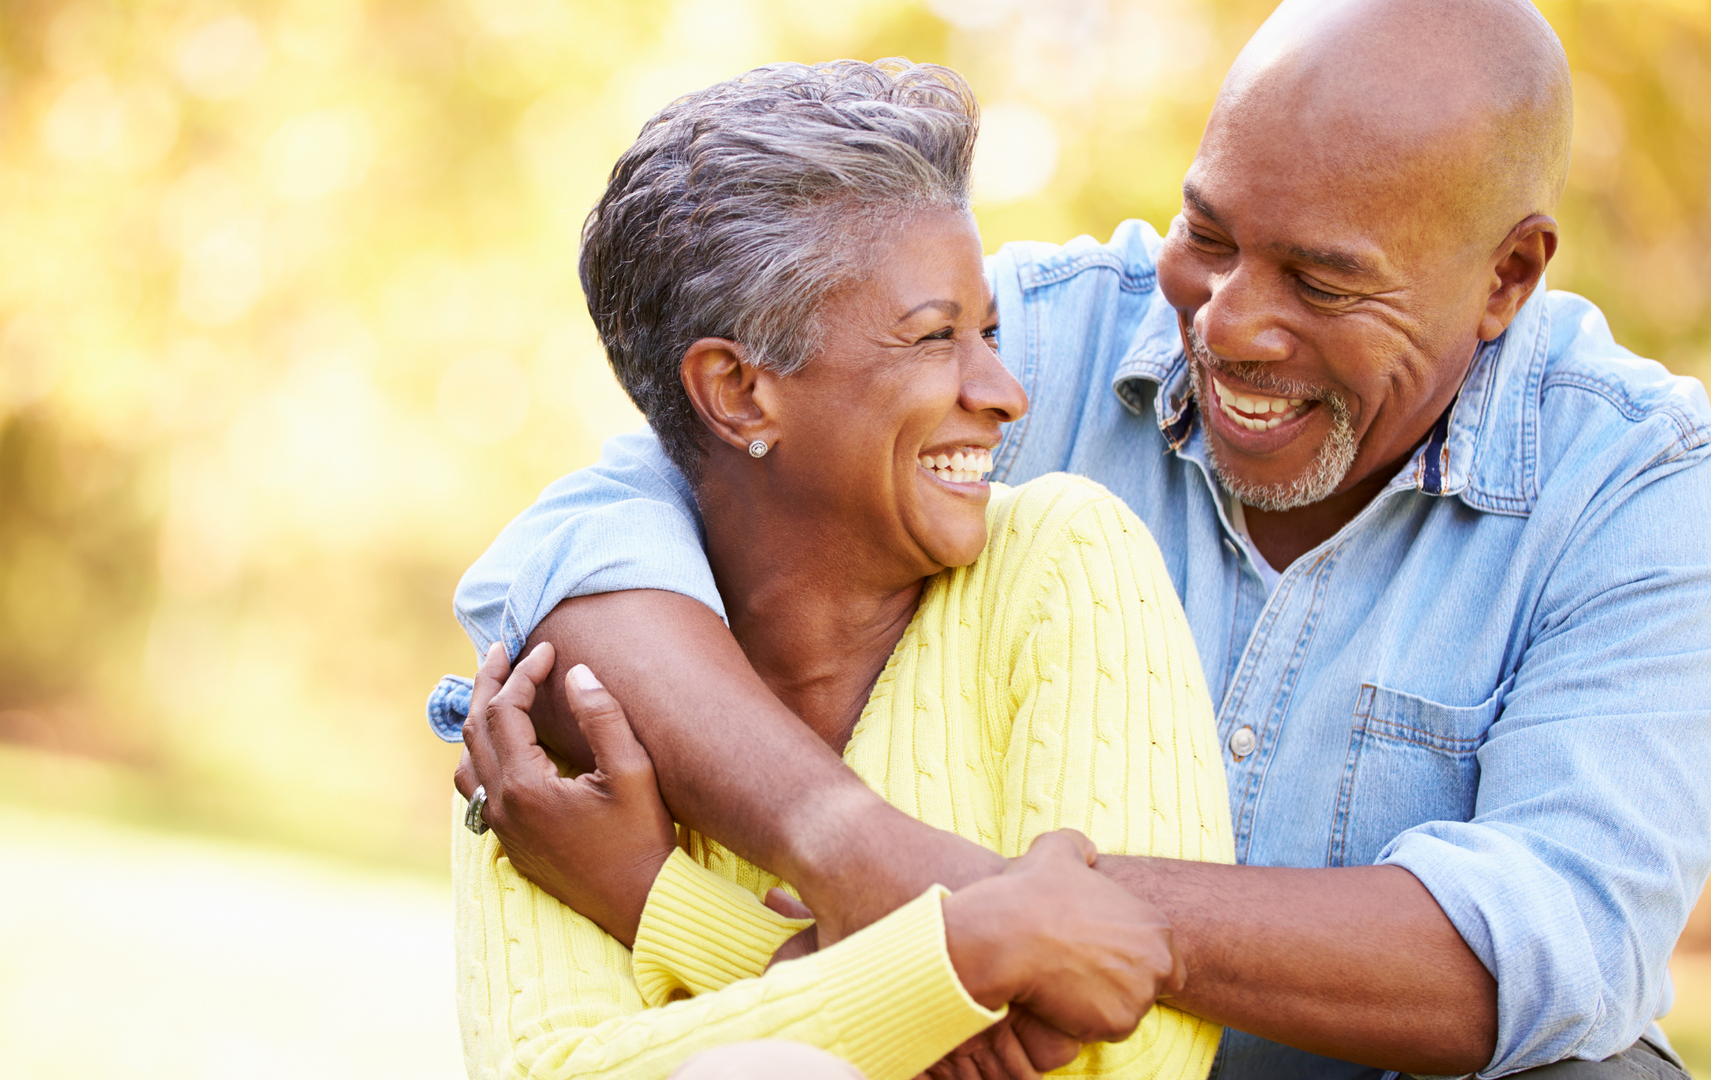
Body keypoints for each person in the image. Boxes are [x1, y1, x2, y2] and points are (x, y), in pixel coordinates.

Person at [437, 0, 1711, 1077]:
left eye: (1323, 281)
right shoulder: (1030, 340)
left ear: (1508, 276)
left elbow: (1556, 934)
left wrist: (1001, 922)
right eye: (1208, 234)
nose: (1232, 326)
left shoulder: (1644, 487)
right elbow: (599, 535)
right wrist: (856, 853)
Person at [441, 59, 1233, 1080]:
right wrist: (958, 961)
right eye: (934, 337)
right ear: (738, 393)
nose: (1002, 392)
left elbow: (1129, 1054)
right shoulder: (563, 709)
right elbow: (553, 1070)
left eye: (988, 331)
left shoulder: (1066, 561)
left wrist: (665, 906)